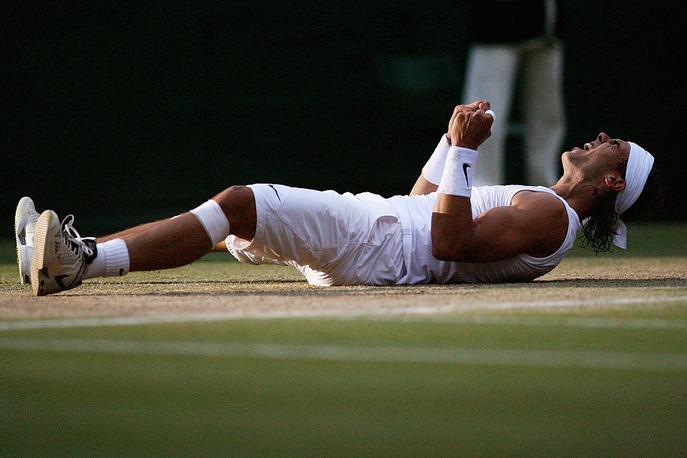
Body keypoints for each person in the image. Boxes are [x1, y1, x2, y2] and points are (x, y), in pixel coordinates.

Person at [15, 101, 662, 296]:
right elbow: (424, 205)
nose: (601, 137)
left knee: (239, 203)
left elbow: (446, 242)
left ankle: (79, 261)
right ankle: (64, 254)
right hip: (376, 228)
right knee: (230, 221)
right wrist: (447, 145)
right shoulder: (540, 203)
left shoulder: (551, 215)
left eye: (616, 146)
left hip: (371, 240)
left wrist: (466, 151)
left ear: (611, 183)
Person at [462, 0, 566, 186]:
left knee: (548, 116)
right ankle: (479, 194)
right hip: (494, 26)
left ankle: (549, 193)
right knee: (483, 115)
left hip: (547, 26)